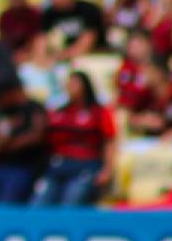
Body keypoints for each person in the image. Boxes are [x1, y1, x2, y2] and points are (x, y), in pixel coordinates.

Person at [34, 70, 115, 205]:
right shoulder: (58, 112)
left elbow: (109, 141)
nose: (70, 87)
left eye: (74, 84)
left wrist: (107, 169)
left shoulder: (98, 112)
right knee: (39, 202)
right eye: (68, 84)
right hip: (58, 165)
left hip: (86, 165)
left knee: (70, 203)